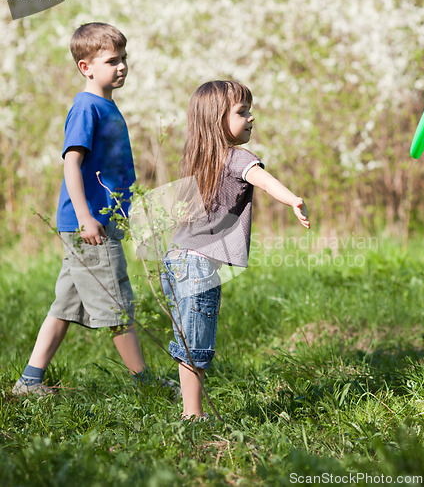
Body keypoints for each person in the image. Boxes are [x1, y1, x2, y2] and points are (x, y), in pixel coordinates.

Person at [13, 22, 151, 396]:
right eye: (111, 60)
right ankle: (145, 384)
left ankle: (29, 381)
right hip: (90, 228)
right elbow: (71, 164)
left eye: (124, 58)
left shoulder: (105, 105)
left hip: (94, 224)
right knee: (117, 305)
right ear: (85, 67)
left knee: (65, 306)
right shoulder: (87, 108)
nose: (121, 66)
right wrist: (88, 217)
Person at [161, 80, 310, 420]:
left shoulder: (200, 158)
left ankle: (191, 410)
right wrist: (293, 199)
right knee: (196, 345)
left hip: (176, 259)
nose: (251, 117)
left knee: (187, 343)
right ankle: (193, 416)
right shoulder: (237, 157)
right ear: (217, 120)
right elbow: (265, 180)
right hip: (198, 266)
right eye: (242, 112)